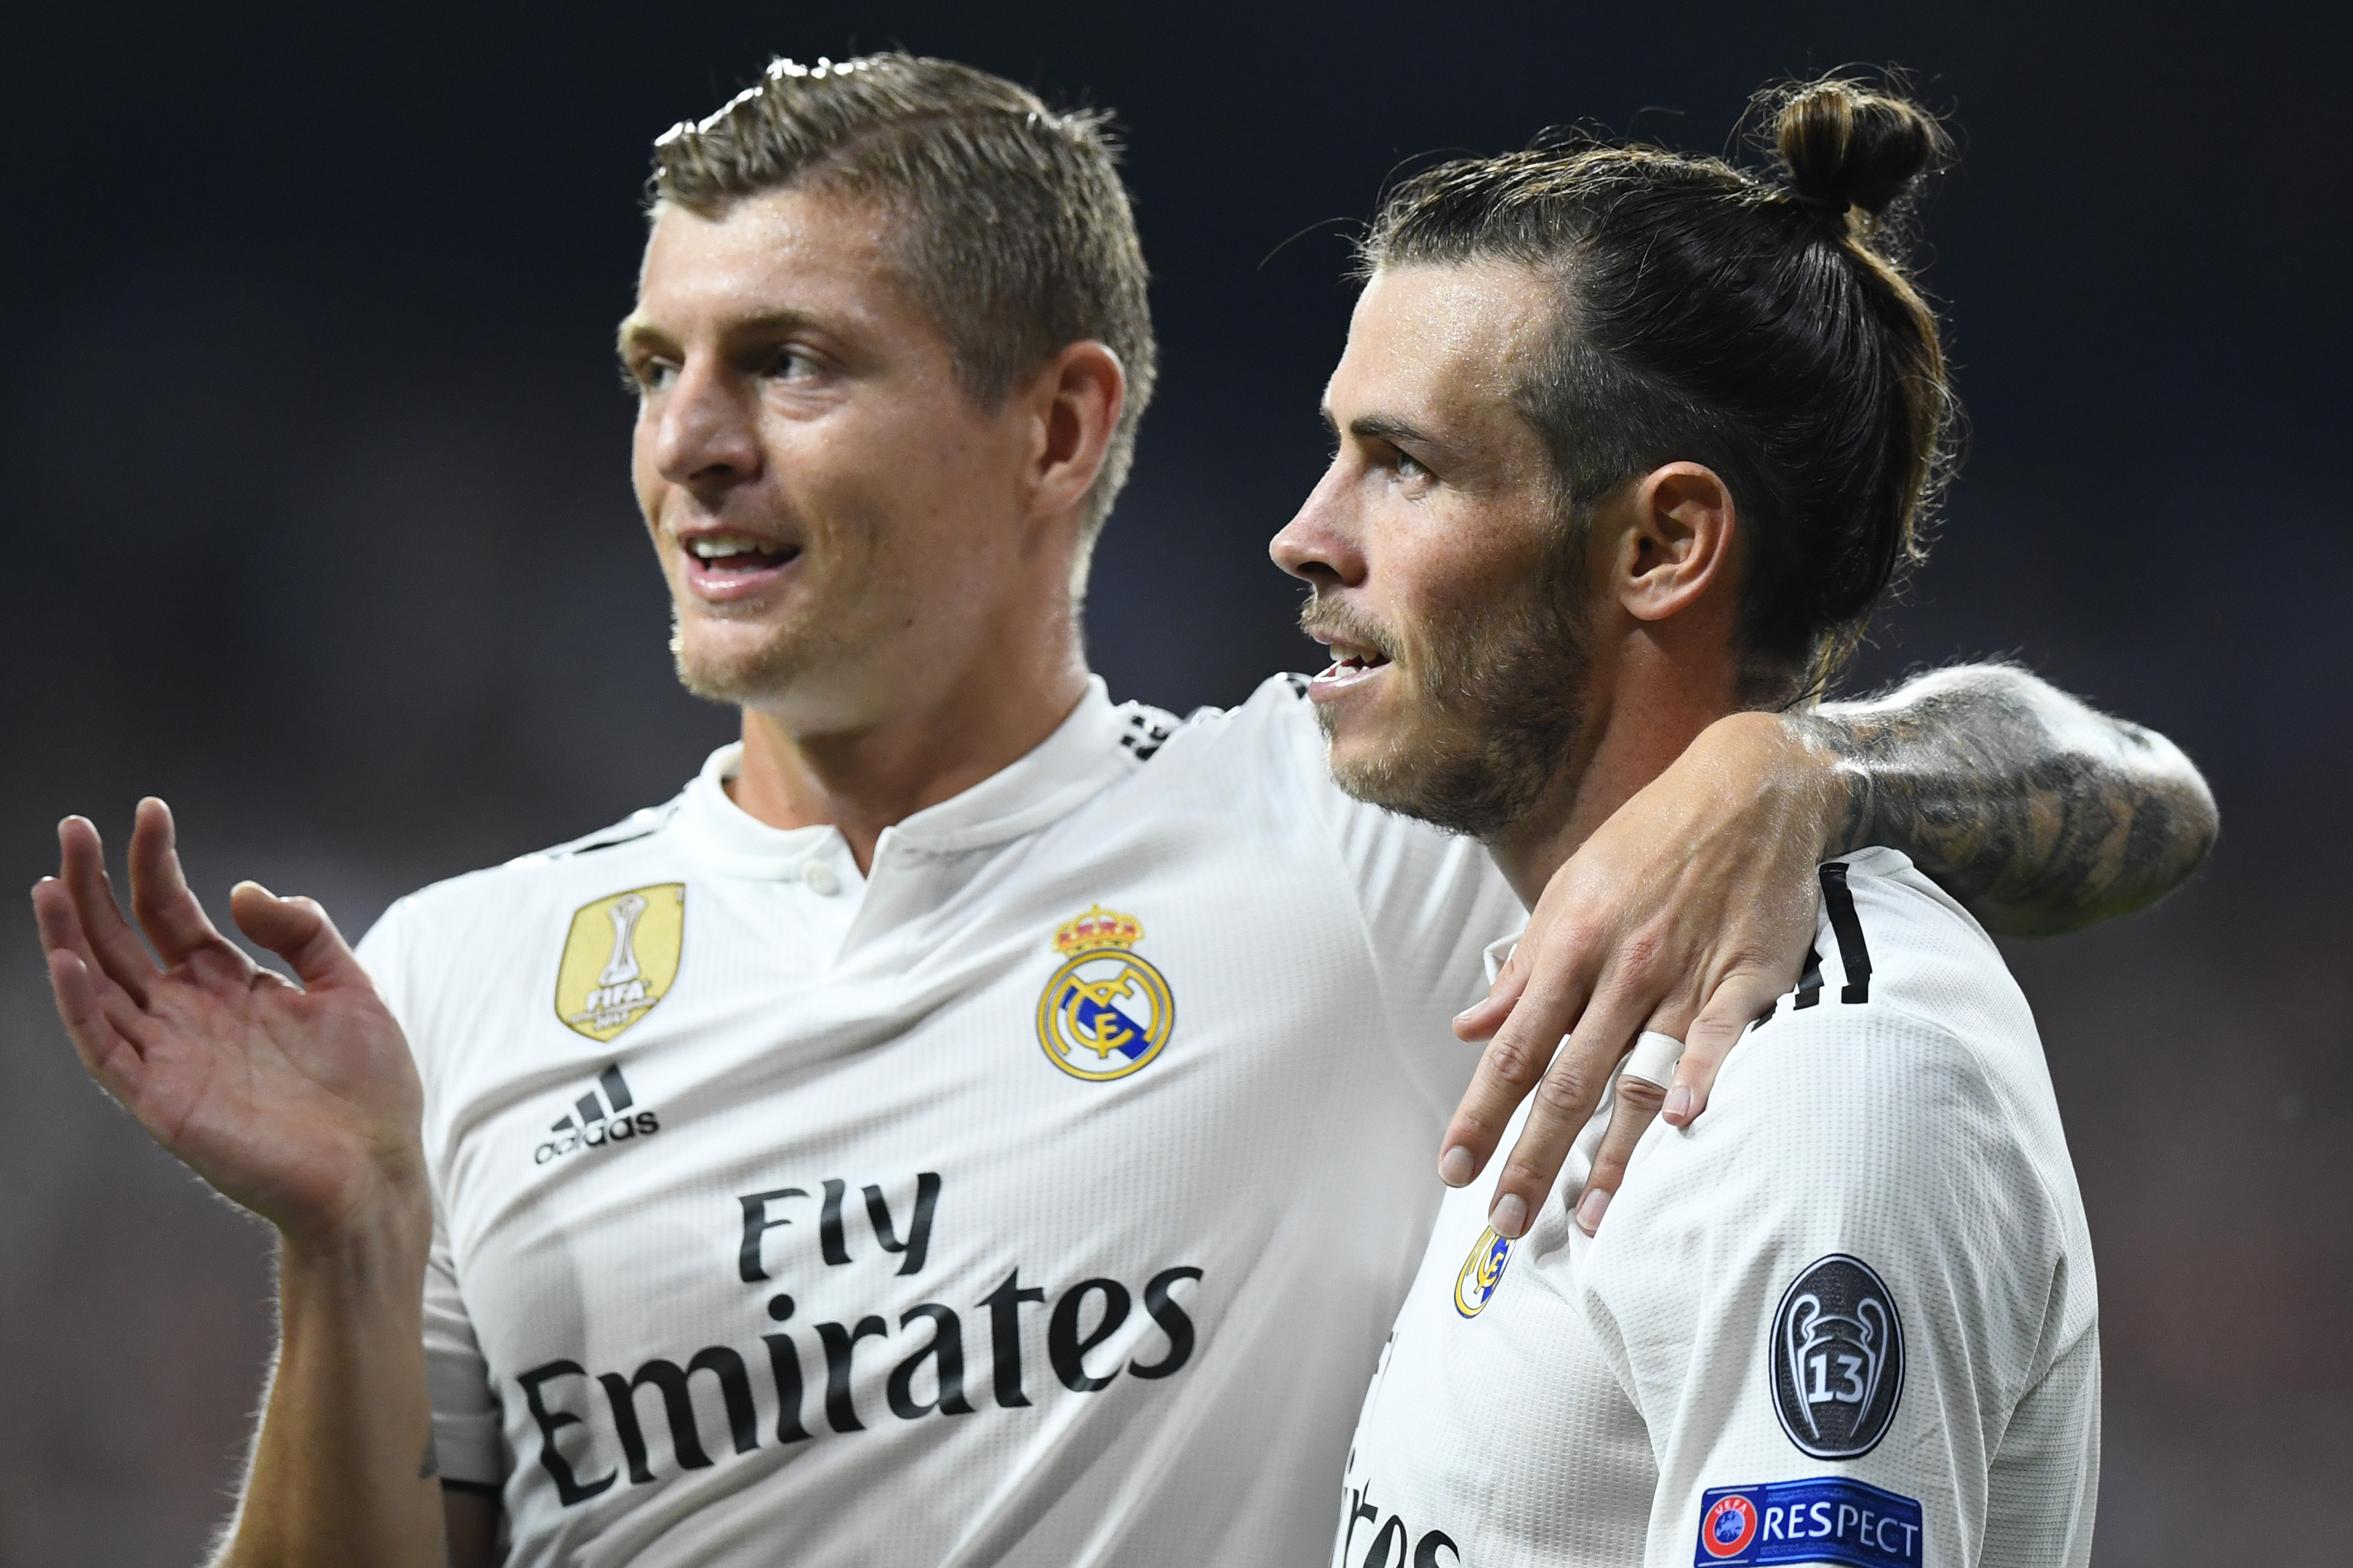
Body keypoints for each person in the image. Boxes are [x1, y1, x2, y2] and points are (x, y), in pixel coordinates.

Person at [30, 56, 2206, 1568]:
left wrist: (1797, 762)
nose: (690, 440)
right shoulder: (459, 981)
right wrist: (351, 1236)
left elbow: (2127, 790)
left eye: (793, 360)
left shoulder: (1364, 861)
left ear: (1061, 427)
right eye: (652, 367)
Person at [1306, 77, 2108, 1567]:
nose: (1308, 534)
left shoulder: (1826, 1090)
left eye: (1403, 465)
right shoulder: (1590, 969)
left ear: (1663, 543)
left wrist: (1815, 765)